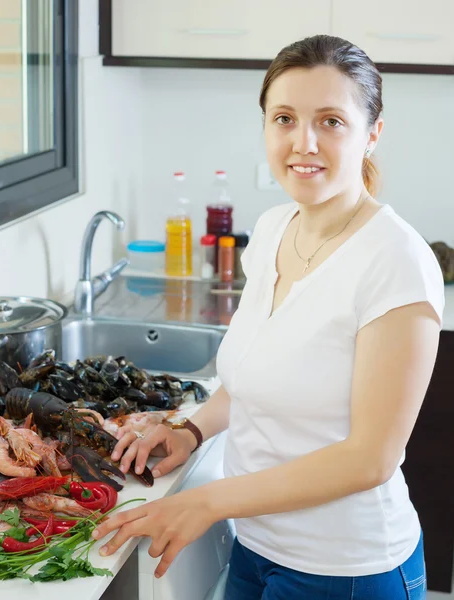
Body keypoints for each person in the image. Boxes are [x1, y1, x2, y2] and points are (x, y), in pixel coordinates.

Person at [91, 35, 444, 599]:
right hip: (256, 546)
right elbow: (254, 377)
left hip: (348, 569)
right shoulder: (276, 227)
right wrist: (192, 428)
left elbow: (370, 459)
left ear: (372, 133)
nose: (304, 142)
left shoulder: (396, 262)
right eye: (285, 118)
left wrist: (204, 501)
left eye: (331, 121)